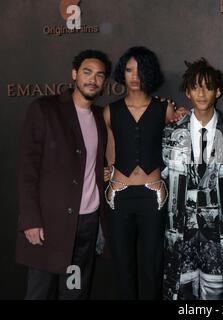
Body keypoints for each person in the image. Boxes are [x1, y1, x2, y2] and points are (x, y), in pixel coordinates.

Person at [16, 49, 112, 299]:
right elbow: (28, 169)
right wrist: (31, 220)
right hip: (50, 224)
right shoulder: (45, 109)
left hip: (86, 225)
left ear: (105, 82)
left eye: (100, 75)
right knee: (40, 293)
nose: (93, 79)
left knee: (74, 292)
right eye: (87, 72)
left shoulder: (101, 118)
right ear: (74, 75)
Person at [162, 58, 223, 300]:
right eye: (195, 86)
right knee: (181, 293)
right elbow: (161, 178)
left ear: (218, 91)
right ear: (187, 92)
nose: (201, 93)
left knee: (221, 295)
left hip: (222, 234)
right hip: (180, 232)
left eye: (208, 86)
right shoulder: (169, 133)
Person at [103, 46, 178, 299]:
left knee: (152, 265)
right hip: (119, 196)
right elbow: (110, 153)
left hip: (153, 196)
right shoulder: (109, 111)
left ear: (150, 73)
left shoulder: (164, 109)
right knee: (123, 265)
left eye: (140, 70)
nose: (134, 76)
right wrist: (107, 171)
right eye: (128, 69)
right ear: (121, 73)